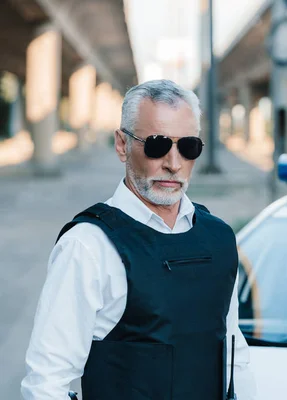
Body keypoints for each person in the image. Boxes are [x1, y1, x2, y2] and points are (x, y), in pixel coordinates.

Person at [21, 79, 256, 400]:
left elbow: (234, 355)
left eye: (187, 147)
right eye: (157, 144)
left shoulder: (219, 239)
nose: (173, 164)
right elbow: (47, 382)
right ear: (122, 144)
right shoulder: (88, 245)